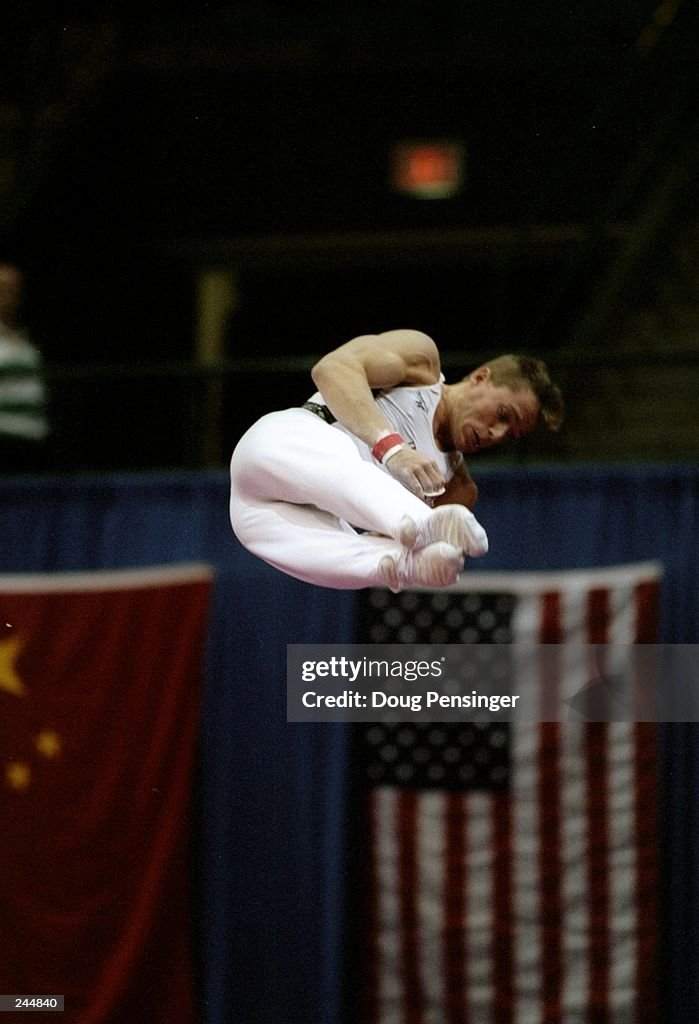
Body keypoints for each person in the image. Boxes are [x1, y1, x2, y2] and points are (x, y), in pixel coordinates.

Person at [229, 328, 564, 591]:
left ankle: (404, 565)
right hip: (283, 446)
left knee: (358, 559)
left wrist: (423, 562)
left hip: (263, 512)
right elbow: (331, 368)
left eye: (511, 433)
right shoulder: (420, 366)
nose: (497, 433)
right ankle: (419, 523)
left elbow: (369, 539)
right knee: (344, 463)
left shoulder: (458, 491)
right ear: (480, 378)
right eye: (503, 414)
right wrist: (391, 448)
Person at [0, 263, 49, 472]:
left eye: (14, 289)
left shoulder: (29, 341)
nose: (9, 295)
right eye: (3, 288)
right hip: (4, 441)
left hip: (32, 441)